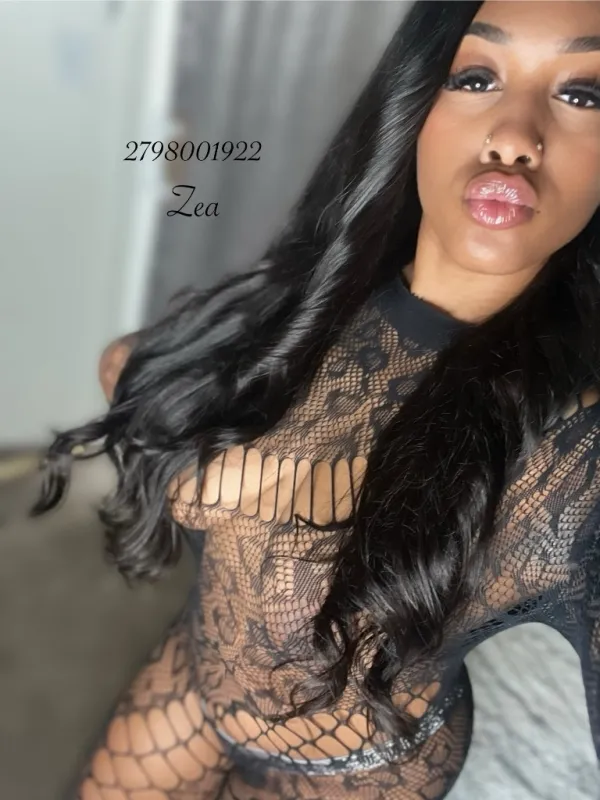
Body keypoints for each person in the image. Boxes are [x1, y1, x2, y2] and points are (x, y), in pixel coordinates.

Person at [32, 1, 600, 797]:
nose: (514, 135)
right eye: (475, 76)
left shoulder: (575, 456)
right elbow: (128, 366)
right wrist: (201, 442)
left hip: (356, 767)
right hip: (200, 671)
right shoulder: (323, 291)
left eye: (583, 93)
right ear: (416, 104)